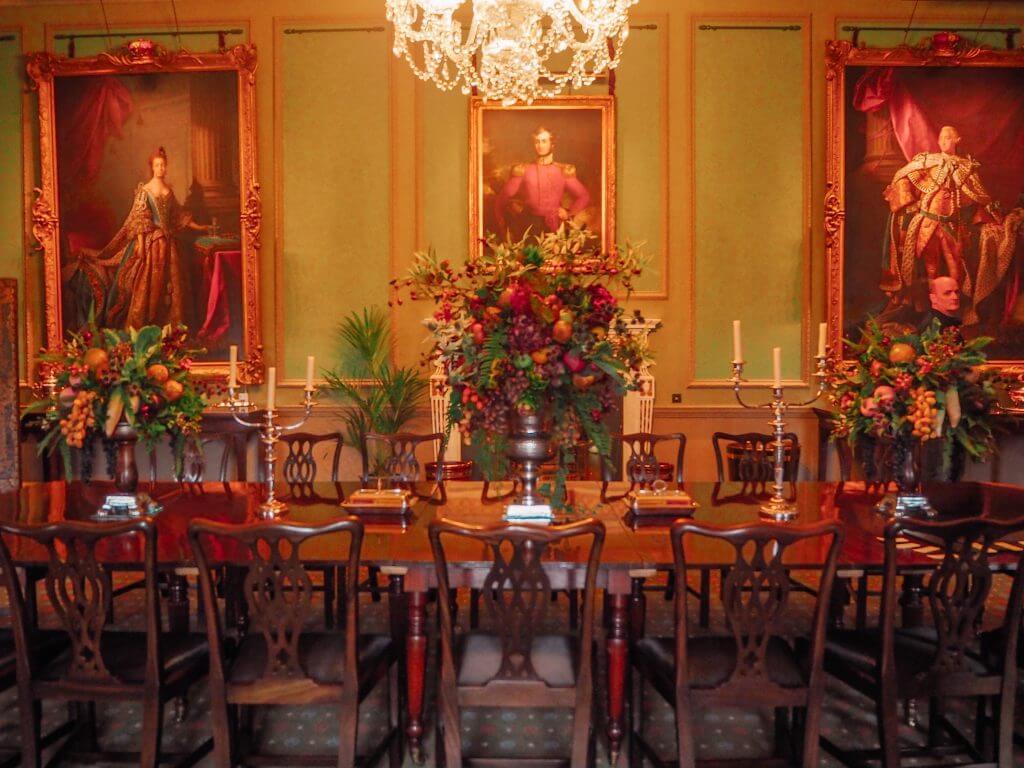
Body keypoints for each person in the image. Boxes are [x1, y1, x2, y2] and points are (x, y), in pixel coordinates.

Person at [881, 125, 1001, 306]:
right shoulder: (927, 161)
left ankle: (954, 308)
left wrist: (988, 217)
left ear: (957, 140)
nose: (944, 141)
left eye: (948, 137)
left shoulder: (966, 167)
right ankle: (931, 307)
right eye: (942, 138)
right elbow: (902, 177)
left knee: (956, 270)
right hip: (927, 224)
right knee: (931, 269)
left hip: (952, 226)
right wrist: (908, 202)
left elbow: (978, 197)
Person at [96, 147, 211, 329]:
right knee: (150, 284)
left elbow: (178, 216)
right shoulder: (145, 190)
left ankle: (172, 327)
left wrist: (200, 227)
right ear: (152, 167)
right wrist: (141, 246)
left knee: (173, 285)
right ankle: (147, 325)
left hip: (170, 243)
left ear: (166, 167)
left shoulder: (168, 190)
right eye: (157, 165)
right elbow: (141, 219)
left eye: (163, 165)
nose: (160, 168)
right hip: (153, 244)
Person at [493, 126, 591, 238]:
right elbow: (502, 198)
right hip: (528, 226)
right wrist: (502, 223)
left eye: (544, 141)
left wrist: (569, 213)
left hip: (555, 226)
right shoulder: (523, 170)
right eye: (537, 142)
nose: (540, 145)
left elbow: (584, 196)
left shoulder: (562, 170)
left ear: (552, 144)